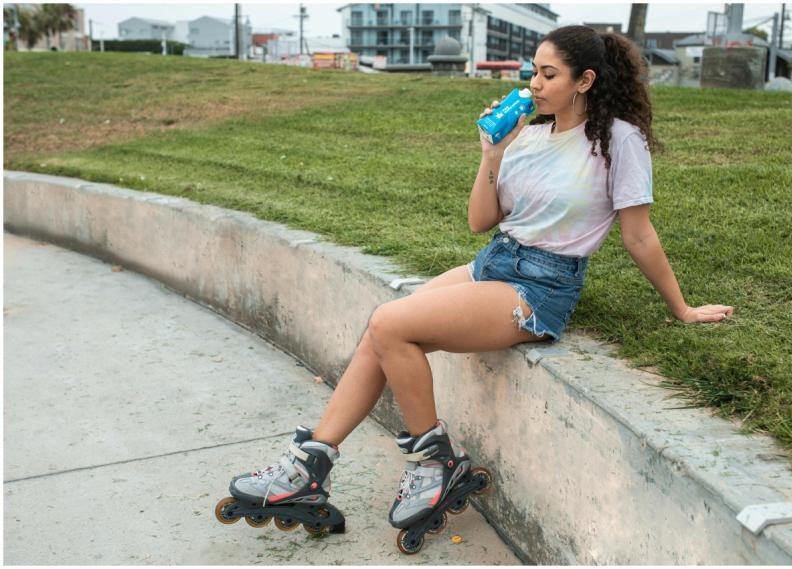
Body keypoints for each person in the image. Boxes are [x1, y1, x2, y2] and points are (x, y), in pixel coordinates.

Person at [224, 25, 734, 537]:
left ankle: (435, 464)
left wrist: (682, 308)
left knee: (390, 324)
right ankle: (309, 469)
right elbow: (480, 221)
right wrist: (492, 152)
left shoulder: (618, 140)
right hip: (493, 263)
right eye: (533, 71)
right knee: (378, 334)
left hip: (540, 287)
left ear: (585, 80)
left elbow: (639, 235)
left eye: (548, 74)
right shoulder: (528, 136)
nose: (534, 83)